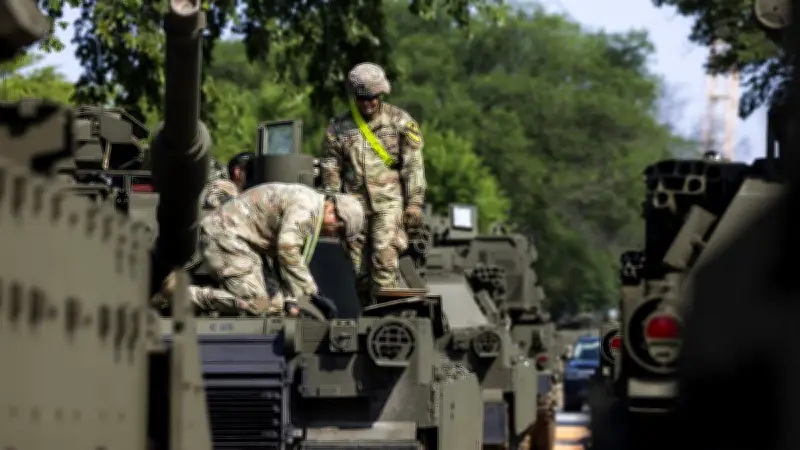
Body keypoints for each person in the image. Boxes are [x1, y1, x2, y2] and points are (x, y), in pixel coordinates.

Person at [320, 62, 427, 302]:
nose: (368, 103)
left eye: (373, 98)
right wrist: (332, 201)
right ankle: (369, 315)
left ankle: (385, 318)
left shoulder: (400, 121)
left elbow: (413, 165)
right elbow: (331, 165)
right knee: (359, 271)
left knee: (384, 261)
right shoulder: (338, 127)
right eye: (362, 98)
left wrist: (415, 203)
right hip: (353, 206)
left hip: (389, 202)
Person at [195, 183, 365, 316]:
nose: (333, 235)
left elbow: (280, 259)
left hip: (242, 243)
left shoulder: (312, 212)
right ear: (332, 211)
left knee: (274, 304)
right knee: (256, 303)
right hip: (223, 235)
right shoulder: (307, 209)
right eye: (338, 231)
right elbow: (287, 250)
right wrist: (314, 294)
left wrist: (289, 300)